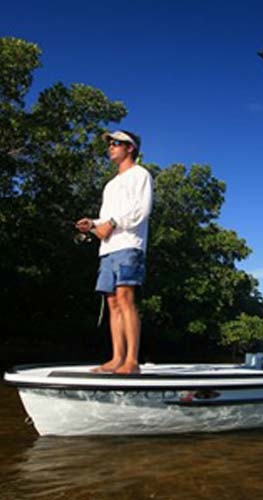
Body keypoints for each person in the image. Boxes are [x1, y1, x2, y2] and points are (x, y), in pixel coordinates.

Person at [76, 130, 153, 374]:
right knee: (111, 302)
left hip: (129, 244)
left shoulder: (140, 174)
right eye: (109, 143)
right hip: (107, 248)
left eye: (116, 143)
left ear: (130, 148)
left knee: (125, 298)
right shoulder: (110, 185)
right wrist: (93, 223)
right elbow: (107, 217)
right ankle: (116, 358)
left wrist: (112, 223)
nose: (110, 147)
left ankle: (132, 361)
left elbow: (141, 210)